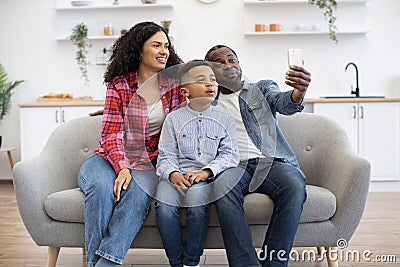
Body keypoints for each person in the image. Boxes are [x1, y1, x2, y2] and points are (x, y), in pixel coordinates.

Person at [77, 21, 185, 267]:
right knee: (101, 188)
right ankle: (96, 263)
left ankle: (107, 262)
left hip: (150, 162)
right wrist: (122, 167)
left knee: (139, 193)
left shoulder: (176, 85)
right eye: (156, 45)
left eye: (166, 46)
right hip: (108, 158)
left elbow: (184, 122)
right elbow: (111, 134)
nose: (164, 51)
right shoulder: (119, 85)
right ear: (139, 50)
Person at [204, 45, 311, 267]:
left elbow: (284, 102)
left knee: (294, 183)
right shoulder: (205, 102)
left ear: (239, 64)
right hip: (232, 165)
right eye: (219, 63)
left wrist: (298, 92)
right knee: (222, 187)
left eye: (232, 59)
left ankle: (274, 264)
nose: (228, 65)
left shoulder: (261, 89)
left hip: (269, 163)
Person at [155, 60, 240, 267]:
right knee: (164, 207)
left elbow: (230, 154)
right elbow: (165, 155)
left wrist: (206, 172)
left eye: (212, 80)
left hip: (203, 178)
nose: (210, 84)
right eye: (201, 81)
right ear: (185, 92)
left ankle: (191, 262)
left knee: (197, 204)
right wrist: (173, 174)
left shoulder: (225, 118)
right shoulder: (173, 119)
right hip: (173, 177)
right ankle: (176, 262)